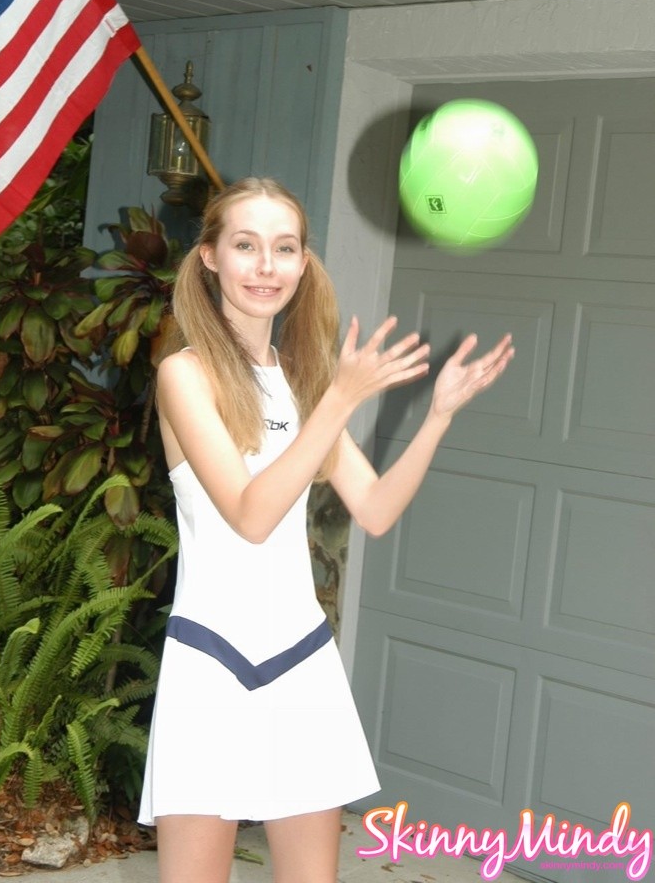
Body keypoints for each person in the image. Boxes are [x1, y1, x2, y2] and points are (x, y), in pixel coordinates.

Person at [138, 176, 514, 883]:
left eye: (285, 248)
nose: (267, 266)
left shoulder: (305, 384)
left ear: (304, 264)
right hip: (209, 664)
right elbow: (251, 516)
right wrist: (339, 398)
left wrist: (437, 415)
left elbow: (374, 508)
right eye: (246, 246)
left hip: (301, 661)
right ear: (210, 257)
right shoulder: (183, 376)